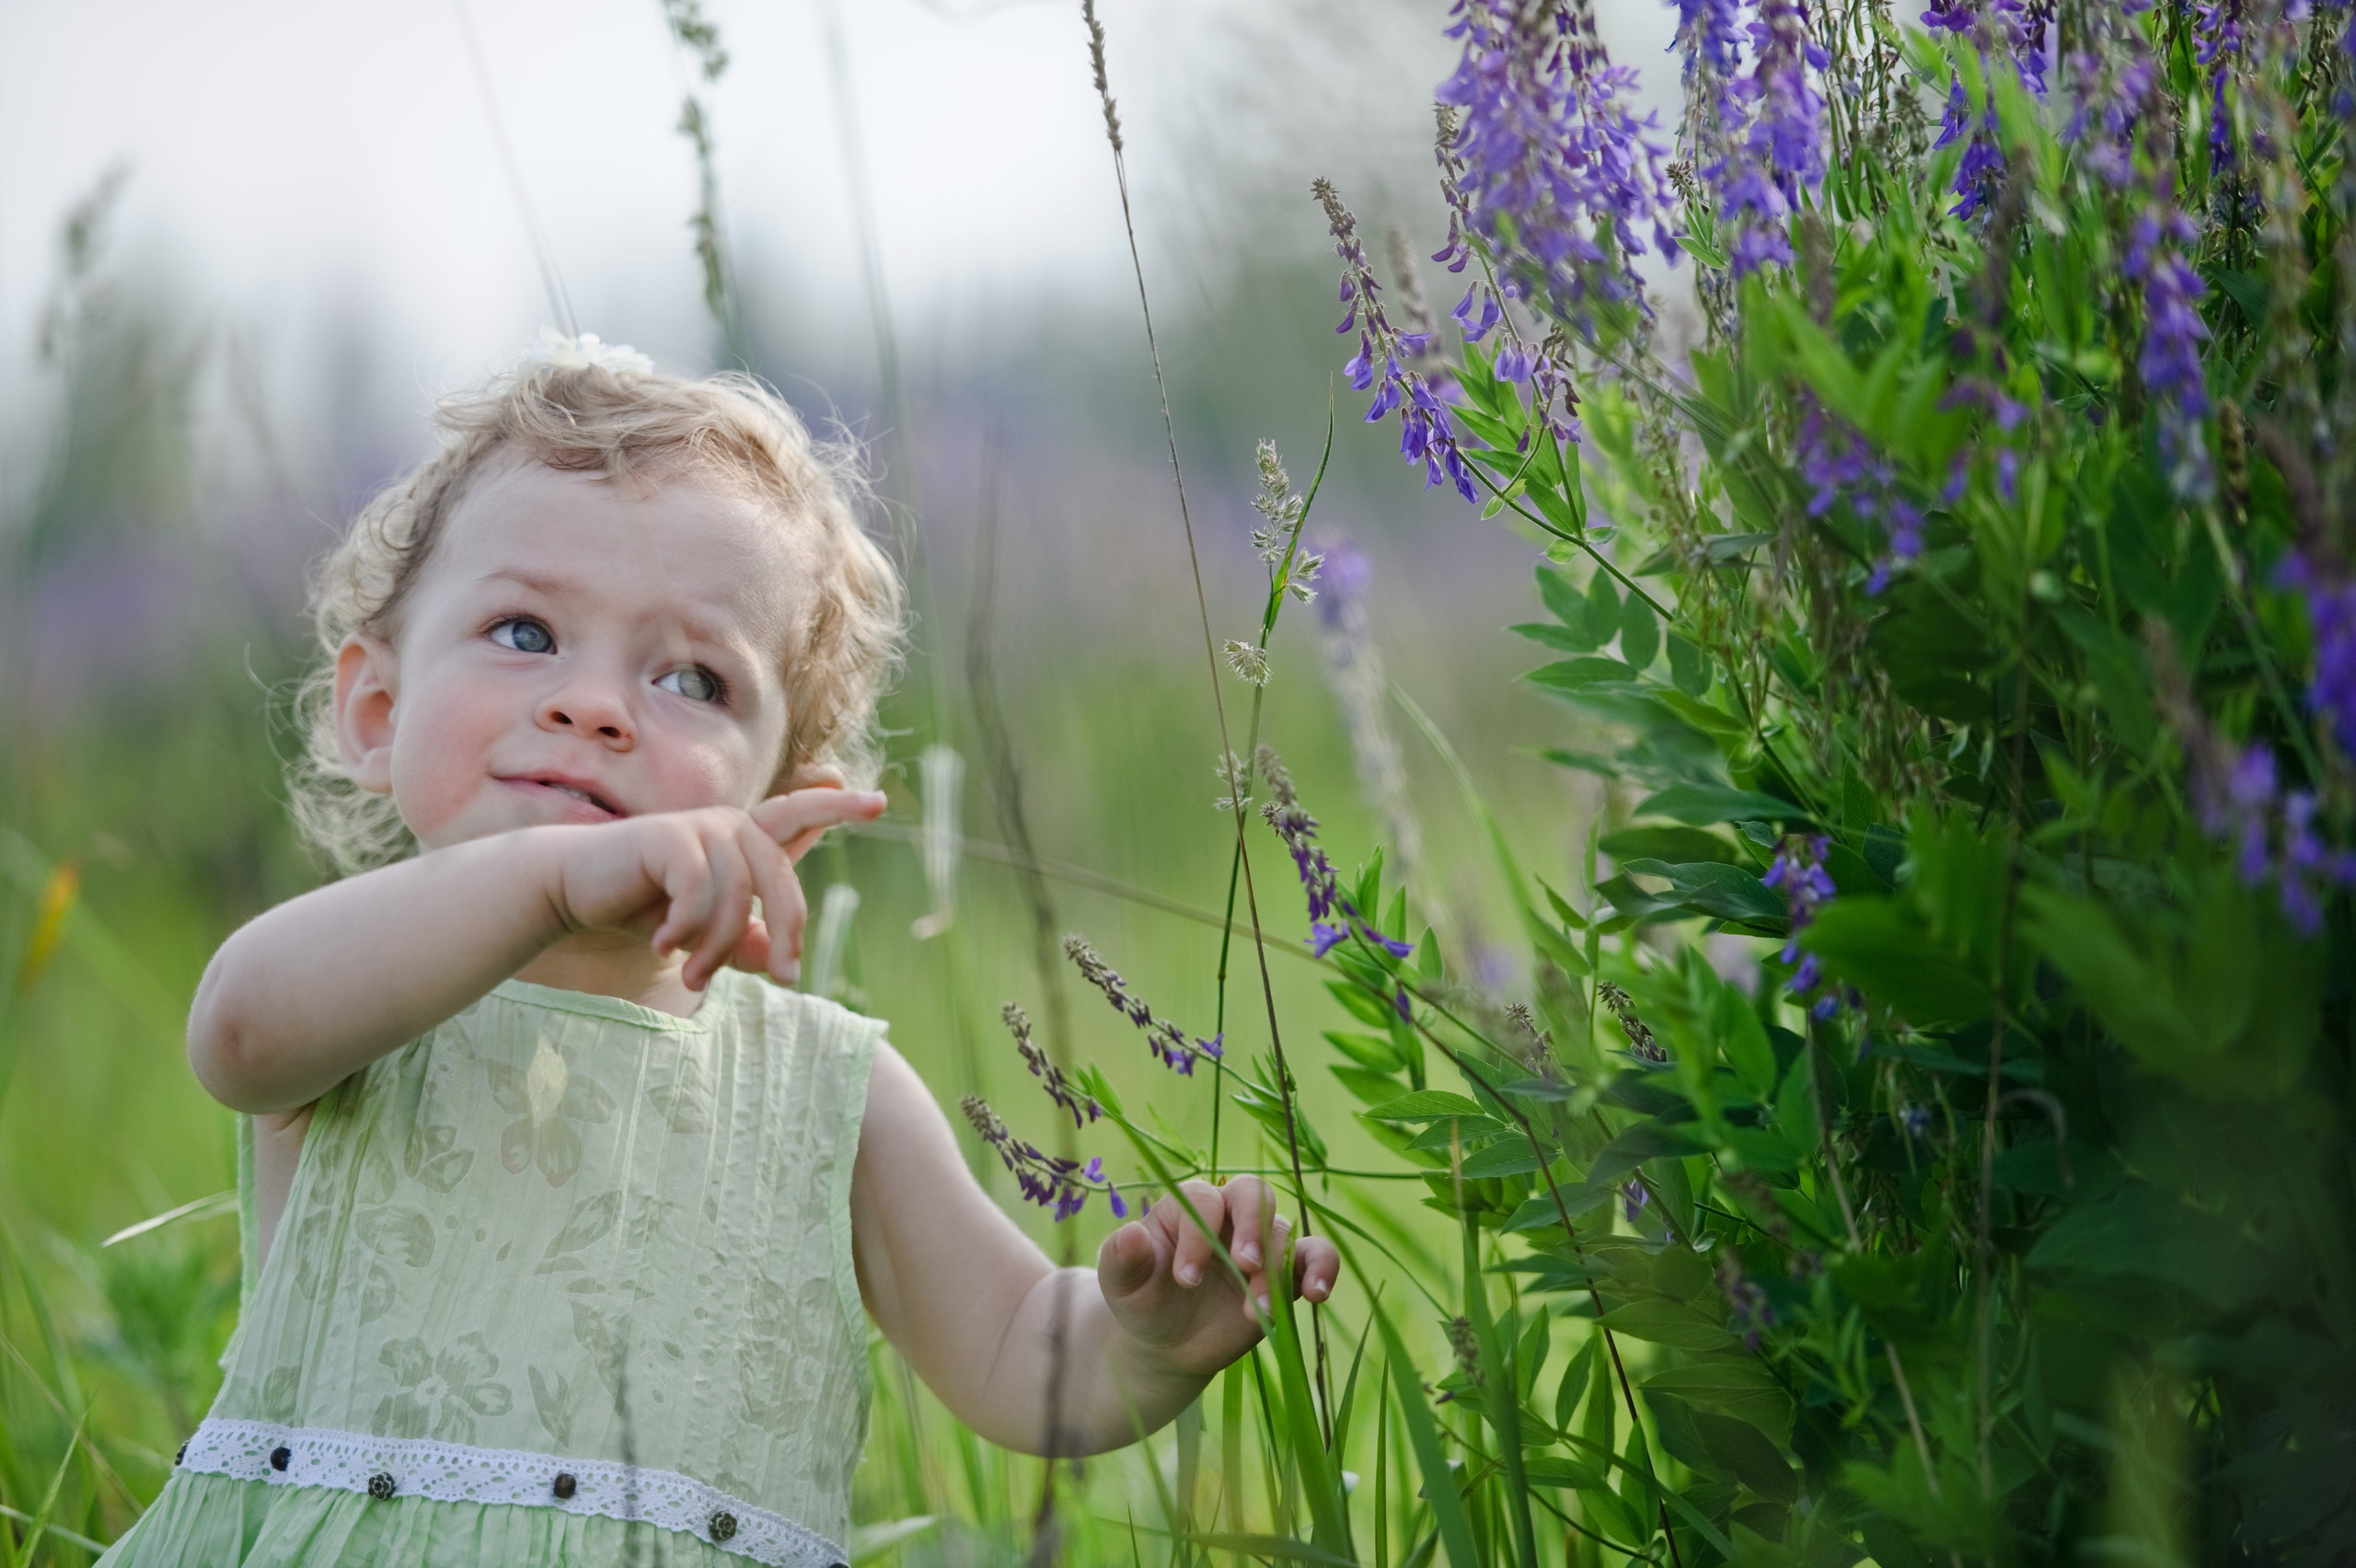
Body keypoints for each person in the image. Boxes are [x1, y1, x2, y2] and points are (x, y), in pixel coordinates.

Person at [98, 337, 1339, 1568]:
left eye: (692, 679)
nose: (594, 705)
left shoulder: (825, 1087)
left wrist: (1146, 1341)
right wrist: (553, 878)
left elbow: (1016, 1347)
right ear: (378, 711)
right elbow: (240, 1033)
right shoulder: (361, 997)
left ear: (782, 807)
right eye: (524, 633)